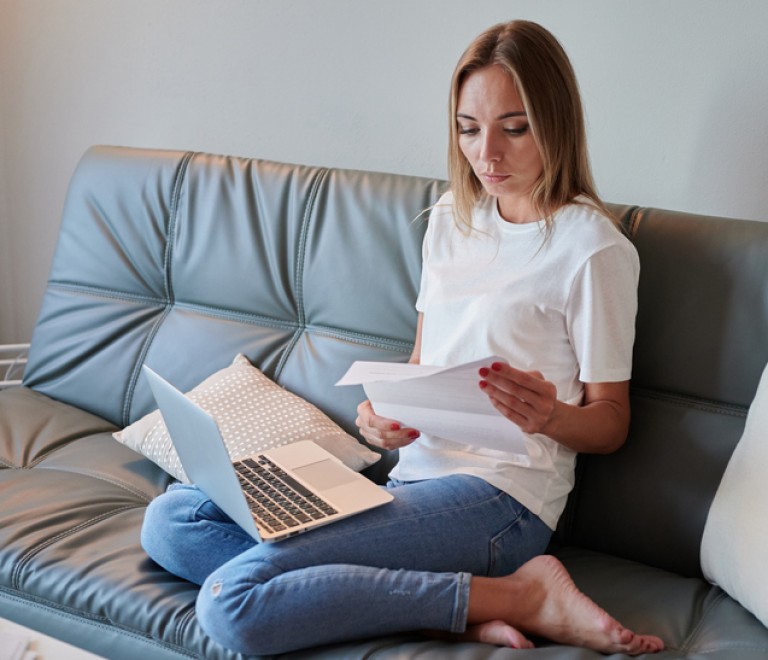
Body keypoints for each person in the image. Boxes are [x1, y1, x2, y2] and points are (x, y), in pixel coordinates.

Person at [141, 20, 665, 656]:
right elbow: (424, 363)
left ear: (555, 121)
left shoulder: (594, 250)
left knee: (232, 603)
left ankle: (524, 593)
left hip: (502, 502)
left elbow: (610, 421)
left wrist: (551, 414)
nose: (487, 155)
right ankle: (453, 608)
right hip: (410, 483)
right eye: (469, 130)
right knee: (173, 521)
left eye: (514, 128)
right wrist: (383, 418)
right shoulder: (451, 219)